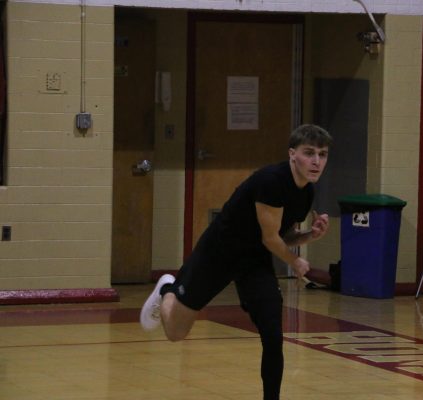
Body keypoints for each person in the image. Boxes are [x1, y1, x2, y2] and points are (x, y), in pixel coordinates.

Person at [139, 124, 332, 399]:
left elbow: (281, 235)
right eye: (309, 153)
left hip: (253, 260)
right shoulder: (271, 181)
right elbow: (269, 238)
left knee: (273, 334)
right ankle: (167, 290)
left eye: (322, 154)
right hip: (220, 252)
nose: (316, 161)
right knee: (175, 333)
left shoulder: (306, 192)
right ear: (292, 154)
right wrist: (295, 262)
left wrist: (308, 236)